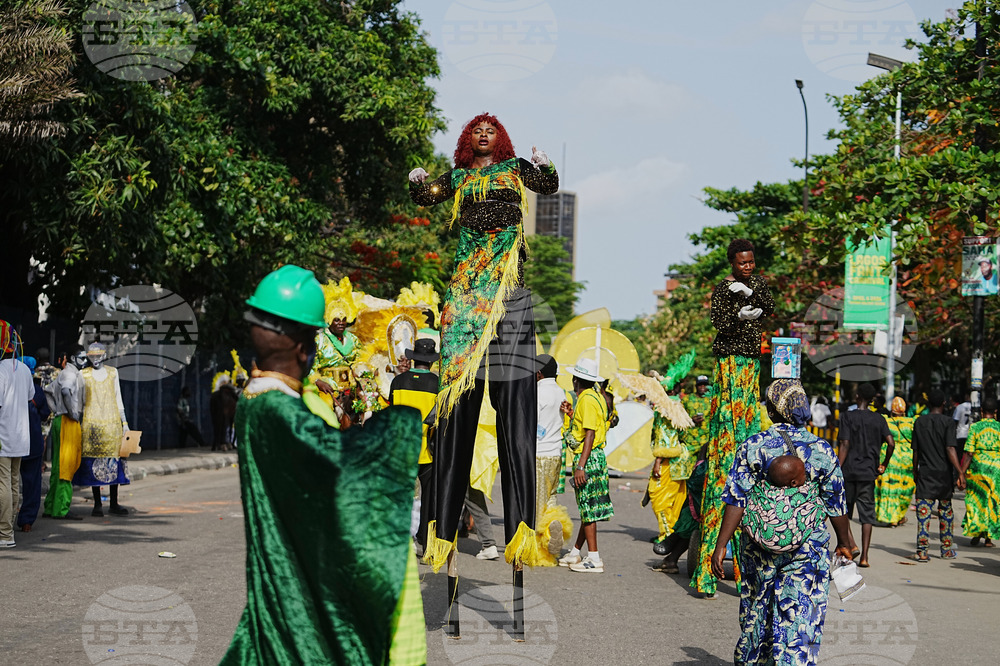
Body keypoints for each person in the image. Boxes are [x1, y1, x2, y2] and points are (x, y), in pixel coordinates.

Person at [221, 265, 425, 665]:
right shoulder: (277, 410)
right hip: (295, 597)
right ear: (306, 347)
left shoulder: (256, 400)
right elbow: (339, 462)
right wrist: (402, 425)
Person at [409, 112, 558, 569]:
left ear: (501, 137)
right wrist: (417, 180)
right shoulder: (458, 176)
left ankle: (520, 534)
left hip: (504, 275)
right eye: (476, 129)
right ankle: (442, 531)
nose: (484, 133)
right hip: (469, 276)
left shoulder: (513, 169)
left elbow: (547, 186)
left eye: (490, 129)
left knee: (512, 398)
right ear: (467, 139)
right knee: (459, 394)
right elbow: (428, 196)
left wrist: (545, 166)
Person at [713, 379, 853, 665]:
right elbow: (835, 502)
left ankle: (755, 659)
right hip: (808, 547)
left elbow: (736, 499)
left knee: (757, 609)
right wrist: (845, 543)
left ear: (773, 411)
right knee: (801, 611)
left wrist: (721, 545)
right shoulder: (822, 450)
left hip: (758, 545)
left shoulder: (753, 446)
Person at [692, 238, 775, 598]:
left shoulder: (757, 285)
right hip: (729, 364)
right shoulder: (723, 289)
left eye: (751, 262)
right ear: (732, 263)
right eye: (742, 263)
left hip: (751, 365)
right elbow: (718, 323)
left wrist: (753, 301)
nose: (748, 267)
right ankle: (708, 574)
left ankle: (746, 576)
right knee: (729, 421)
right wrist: (738, 311)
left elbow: (770, 306)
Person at [557, 357, 612, 573]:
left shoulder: (587, 400)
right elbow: (588, 427)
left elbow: (589, 434)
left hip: (587, 459)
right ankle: (576, 551)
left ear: (575, 380)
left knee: (588, 510)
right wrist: (572, 414)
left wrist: (580, 466)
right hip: (594, 456)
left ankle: (594, 558)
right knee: (587, 508)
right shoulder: (594, 397)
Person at [389, 338, 439, 557]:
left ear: (414, 358)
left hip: (401, 448)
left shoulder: (398, 382)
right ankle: (427, 545)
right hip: (426, 449)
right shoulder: (437, 384)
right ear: (430, 361)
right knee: (428, 499)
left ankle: (402, 541)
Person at [837, 382, 894, 567]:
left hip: (849, 471)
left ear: (857, 397)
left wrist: (837, 467)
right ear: (871, 400)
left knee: (845, 511)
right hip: (869, 473)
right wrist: (883, 464)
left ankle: (850, 546)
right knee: (867, 516)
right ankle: (865, 557)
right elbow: (891, 443)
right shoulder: (879, 419)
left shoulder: (847, 416)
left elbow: (844, 444)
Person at [72, 342, 131, 517]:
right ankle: (97, 504)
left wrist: (124, 423)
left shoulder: (113, 373)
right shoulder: (83, 375)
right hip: (91, 426)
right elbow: (80, 401)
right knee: (94, 465)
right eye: (92, 356)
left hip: (112, 425)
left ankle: (114, 502)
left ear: (104, 356)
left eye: (99, 356)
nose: (96, 359)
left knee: (113, 463)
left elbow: (118, 397)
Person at [910, 388, 964, 561]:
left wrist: (915, 472)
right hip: (944, 475)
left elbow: (916, 452)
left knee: (924, 512)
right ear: (943, 403)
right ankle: (946, 549)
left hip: (925, 473)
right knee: (946, 511)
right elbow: (950, 448)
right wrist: (960, 471)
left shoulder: (919, 422)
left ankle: (922, 551)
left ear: (928, 404)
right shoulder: (948, 423)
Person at [534, 353, 572, 563]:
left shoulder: (537, 393)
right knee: (550, 499)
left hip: (538, 454)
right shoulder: (561, 392)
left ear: (538, 373)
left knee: (536, 506)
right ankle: (554, 525)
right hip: (556, 454)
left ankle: (543, 547)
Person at [0, 322, 34, 548]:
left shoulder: (0, 370)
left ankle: (5, 534)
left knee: (3, 483)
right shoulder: (23, 368)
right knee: (13, 483)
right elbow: (30, 395)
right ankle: (9, 530)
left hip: (4, 436)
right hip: (21, 436)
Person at [42, 348, 86, 519]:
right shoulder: (70, 374)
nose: (85, 361)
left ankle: (51, 506)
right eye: (82, 358)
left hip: (60, 420)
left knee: (58, 466)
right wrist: (71, 412)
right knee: (66, 467)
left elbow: (47, 391)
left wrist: (56, 410)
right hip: (68, 423)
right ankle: (61, 509)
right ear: (74, 358)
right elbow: (66, 391)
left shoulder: (63, 373)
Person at [962, 396, 1000, 547]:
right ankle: (989, 538)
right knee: (993, 502)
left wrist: (961, 473)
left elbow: (969, 453)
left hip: (978, 468)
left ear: (982, 411)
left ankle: (977, 532)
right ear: (995, 412)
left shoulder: (975, 427)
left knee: (976, 501)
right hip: (996, 469)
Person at [17, 357, 50, 532]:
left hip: (11, 442)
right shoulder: (36, 391)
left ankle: (7, 516)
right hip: (32, 444)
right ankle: (27, 520)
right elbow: (45, 414)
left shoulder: (10, 387)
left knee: (8, 482)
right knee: (31, 484)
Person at [875, 397, 916, 526]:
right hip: (906, 458)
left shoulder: (885, 421)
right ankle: (899, 516)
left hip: (889, 456)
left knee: (888, 487)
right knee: (905, 488)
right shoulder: (911, 423)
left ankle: (887, 516)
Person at [209, 374, 239, 451]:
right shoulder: (230, 394)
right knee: (223, 428)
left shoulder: (215, 395)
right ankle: (223, 444)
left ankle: (217, 445)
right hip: (223, 414)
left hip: (218, 414)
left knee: (218, 429)